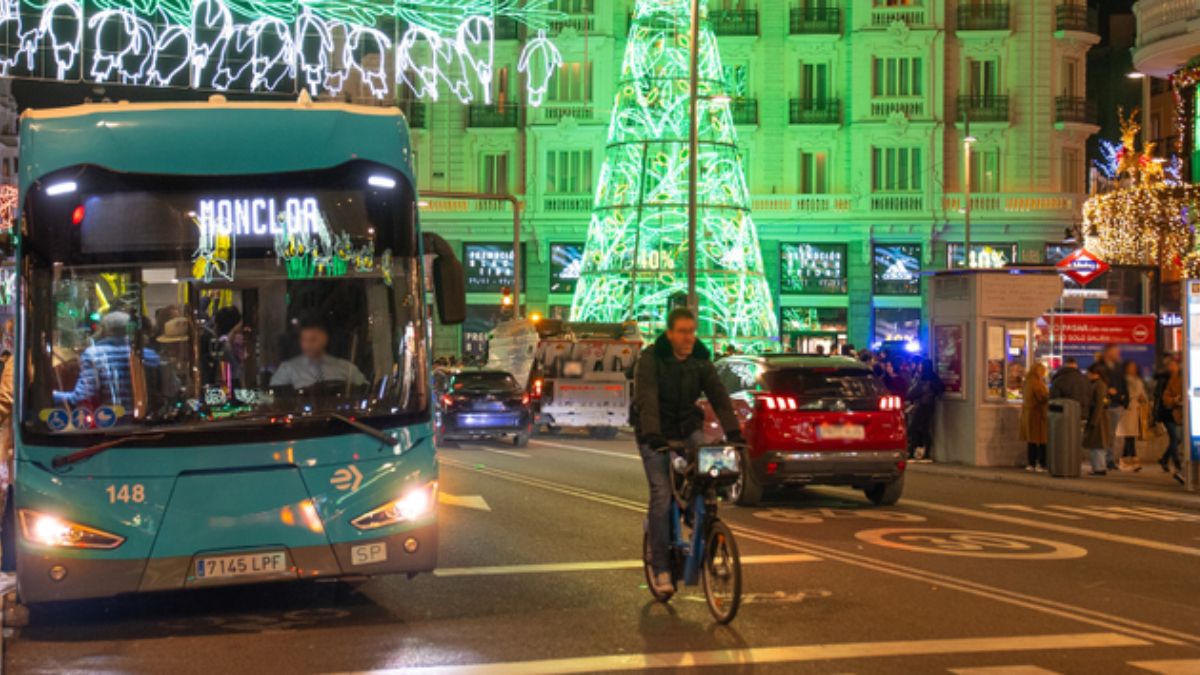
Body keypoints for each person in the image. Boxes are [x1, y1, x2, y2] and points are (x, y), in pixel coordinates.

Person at [634, 307, 741, 596]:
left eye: (691, 331)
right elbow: (647, 399)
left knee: (706, 475)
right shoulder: (651, 359)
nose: (688, 338)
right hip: (653, 433)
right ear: (670, 334)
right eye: (682, 332)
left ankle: (699, 522)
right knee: (661, 494)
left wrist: (735, 432)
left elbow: (718, 394)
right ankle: (661, 568)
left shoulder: (700, 361)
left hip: (686, 428)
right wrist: (654, 434)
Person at [53, 311, 160, 410]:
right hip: (145, 422)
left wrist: (53, 395)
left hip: (110, 421)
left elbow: (83, 396)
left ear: (106, 330)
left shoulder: (93, 355)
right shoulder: (150, 355)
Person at [270, 319, 367, 389]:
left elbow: (366, 391)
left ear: (325, 338)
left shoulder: (345, 367)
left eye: (313, 339)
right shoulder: (288, 369)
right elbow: (274, 397)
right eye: (304, 340)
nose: (308, 345)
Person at [1094, 344, 1127, 471]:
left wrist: (1124, 399)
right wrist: (1108, 390)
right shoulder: (1100, 367)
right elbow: (1095, 384)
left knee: (1113, 435)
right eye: (1115, 351)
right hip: (1106, 405)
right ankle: (1105, 460)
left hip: (1117, 404)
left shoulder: (1118, 367)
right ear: (1108, 352)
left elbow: (1124, 384)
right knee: (1106, 434)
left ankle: (1110, 459)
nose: (1117, 354)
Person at [905, 359, 944, 460]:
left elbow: (912, 393)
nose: (919, 366)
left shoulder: (922, 379)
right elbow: (940, 389)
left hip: (921, 406)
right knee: (925, 428)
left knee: (914, 428)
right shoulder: (934, 378)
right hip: (930, 405)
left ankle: (912, 451)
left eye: (921, 365)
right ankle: (926, 452)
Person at [1114, 360, 1147, 472]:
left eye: (1134, 367)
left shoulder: (1138, 380)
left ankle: (1125, 460)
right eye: (1130, 367)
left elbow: (1143, 394)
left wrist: (1142, 398)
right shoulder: (1123, 380)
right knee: (1129, 436)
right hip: (1127, 410)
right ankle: (1132, 460)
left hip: (1135, 410)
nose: (1132, 369)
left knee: (1130, 436)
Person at [1157, 355, 1185, 483]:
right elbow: (1162, 397)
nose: (1172, 367)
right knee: (1176, 438)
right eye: (1170, 365)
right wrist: (1175, 400)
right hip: (1171, 414)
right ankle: (1179, 466)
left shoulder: (1183, 376)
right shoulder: (1168, 378)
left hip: (1179, 414)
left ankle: (1166, 459)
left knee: (1178, 440)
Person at [1083, 363, 1114, 476]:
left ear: (1096, 374)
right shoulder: (1097, 384)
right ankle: (1098, 467)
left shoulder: (1099, 385)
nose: (1087, 375)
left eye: (1089, 373)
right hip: (1098, 418)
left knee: (1097, 444)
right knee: (1095, 444)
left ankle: (1099, 468)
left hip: (1098, 419)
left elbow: (1099, 403)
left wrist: (1094, 421)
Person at [1020, 362, 1049, 472]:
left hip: (1029, 415)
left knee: (1031, 440)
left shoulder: (1027, 382)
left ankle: (1031, 463)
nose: (1044, 374)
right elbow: (1042, 397)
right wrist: (1049, 395)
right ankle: (1042, 464)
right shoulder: (1036, 383)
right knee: (1042, 440)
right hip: (1038, 415)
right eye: (1043, 371)